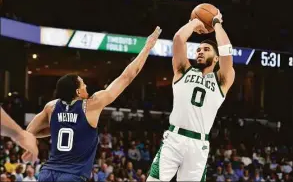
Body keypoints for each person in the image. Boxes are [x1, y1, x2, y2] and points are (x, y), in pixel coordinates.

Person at [23, 26, 161, 182]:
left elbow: (30, 131)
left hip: (47, 174)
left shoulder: (51, 107)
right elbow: (127, 77)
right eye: (82, 84)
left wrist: (38, 140)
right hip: (72, 176)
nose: (86, 86)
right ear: (78, 92)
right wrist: (147, 47)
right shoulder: (91, 105)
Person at [147, 10, 235, 181]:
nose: (200, 52)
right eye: (199, 49)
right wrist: (194, 23)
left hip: (199, 145)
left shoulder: (222, 80)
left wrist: (216, 23)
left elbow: (226, 50)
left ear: (216, 59)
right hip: (173, 139)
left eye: (206, 49)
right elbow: (179, 39)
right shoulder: (183, 70)